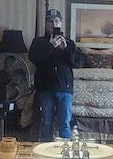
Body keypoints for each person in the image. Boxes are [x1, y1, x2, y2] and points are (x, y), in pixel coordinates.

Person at [28, 8, 81, 141]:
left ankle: (67, 154)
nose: (53, 24)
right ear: (46, 24)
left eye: (56, 21)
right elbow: (33, 58)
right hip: (46, 88)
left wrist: (66, 49)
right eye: (50, 21)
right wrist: (50, 46)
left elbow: (79, 63)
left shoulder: (69, 43)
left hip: (65, 89)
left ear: (61, 23)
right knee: (47, 123)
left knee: (65, 124)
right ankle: (46, 154)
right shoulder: (39, 42)